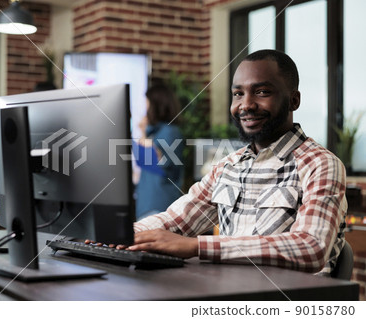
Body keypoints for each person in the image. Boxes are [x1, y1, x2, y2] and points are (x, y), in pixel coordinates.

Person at [127, 49, 347, 276]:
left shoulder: (321, 164)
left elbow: (310, 247)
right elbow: (175, 220)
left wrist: (197, 246)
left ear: (294, 100)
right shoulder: (228, 166)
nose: (246, 105)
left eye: (262, 92)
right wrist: (121, 236)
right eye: (238, 94)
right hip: (229, 294)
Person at [133, 84, 184, 221]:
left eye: (147, 105)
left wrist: (144, 133)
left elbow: (157, 160)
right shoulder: (155, 132)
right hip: (147, 205)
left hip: (159, 206)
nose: (145, 110)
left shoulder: (170, 132)